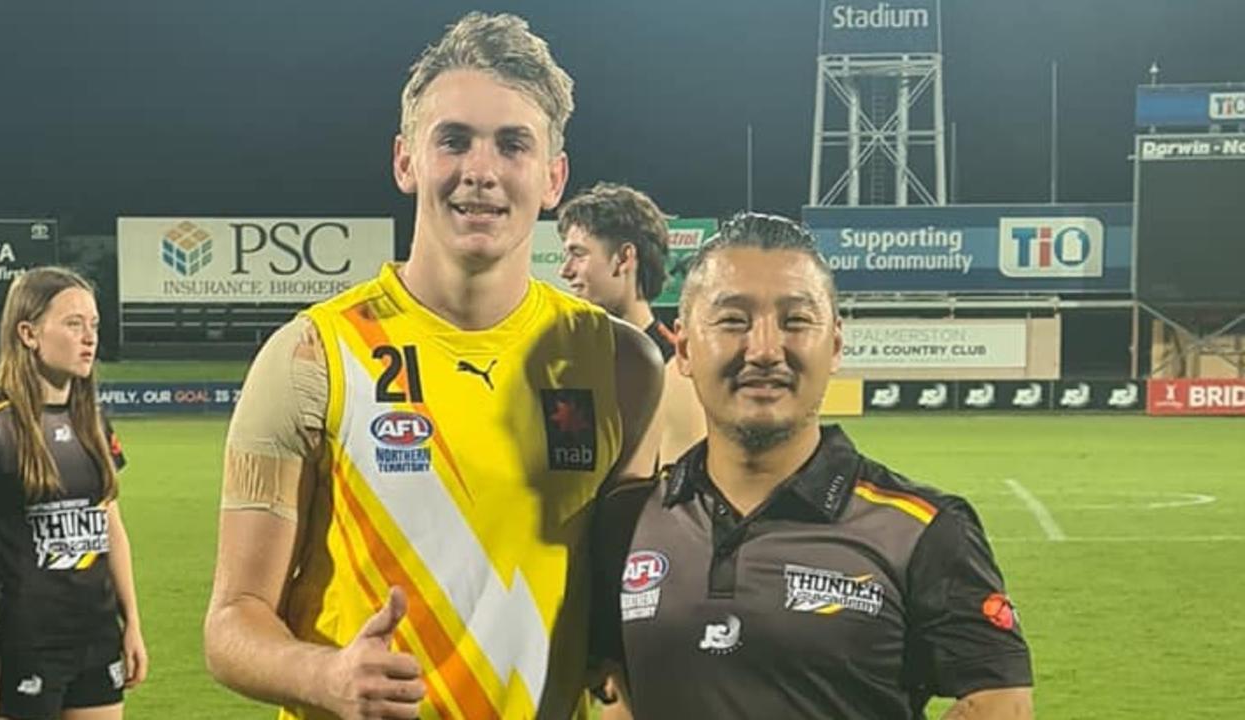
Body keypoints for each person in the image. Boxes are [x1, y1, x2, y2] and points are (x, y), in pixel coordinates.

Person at [203, 12, 664, 720]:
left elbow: (622, 607)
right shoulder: (309, 357)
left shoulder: (621, 364)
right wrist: (324, 676)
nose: (480, 171)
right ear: (405, 160)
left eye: (513, 144)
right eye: (453, 140)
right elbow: (232, 621)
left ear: (552, 177)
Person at [592, 213, 1033, 719]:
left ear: (837, 345)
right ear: (686, 348)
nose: (763, 350)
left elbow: (1001, 701)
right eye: (733, 320)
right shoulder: (627, 521)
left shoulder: (922, 530)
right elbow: (616, 692)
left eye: (796, 321)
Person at [0, 267, 147, 720]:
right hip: (25, 645)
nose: (89, 338)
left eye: (94, 325)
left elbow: (112, 530)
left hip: (97, 640)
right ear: (28, 333)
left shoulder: (94, 424)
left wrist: (133, 625)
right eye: (73, 323)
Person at [557, 182, 705, 463]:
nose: (564, 270)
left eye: (578, 254)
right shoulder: (565, 363)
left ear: (624, 258)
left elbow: (675, 500)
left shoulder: (676, 370)